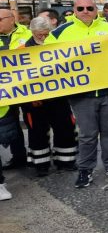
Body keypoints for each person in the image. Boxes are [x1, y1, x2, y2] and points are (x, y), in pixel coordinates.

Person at [45, 0, 108, 188]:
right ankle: (85, 170)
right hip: (81, 95)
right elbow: (45, 59)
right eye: (81, 9)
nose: (85, 12)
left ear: (96, 10)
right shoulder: (61, 32)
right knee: (87, 135)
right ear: (74, 10)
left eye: (90, 8)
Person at [21, 17, 79, 176]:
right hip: (34, 102)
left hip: (58, 98)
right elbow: (19, 79)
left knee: (65, 128)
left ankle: (66, 161)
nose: (43, 37)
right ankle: (41, 165)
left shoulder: (58, 46)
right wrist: (30, 99)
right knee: (37, 132)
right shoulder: (21, 50)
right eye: (39, 34)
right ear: (32, 32)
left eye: (46, 34)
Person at [0, 9, 32, 200]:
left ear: (12, 19)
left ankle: (34, 156)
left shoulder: (26, 33)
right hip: (5, 91)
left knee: (32, 121)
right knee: (10, 125)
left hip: (27, 87)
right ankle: (18, 156)